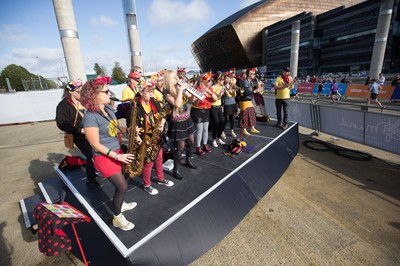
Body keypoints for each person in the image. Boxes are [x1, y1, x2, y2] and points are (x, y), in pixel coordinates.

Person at [81, 76, 137, 231]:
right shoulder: (89, 118)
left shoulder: (109, 110)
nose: (110, 93)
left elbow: (116, 130)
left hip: (118, 150)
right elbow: (95, 144)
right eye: (106, 91)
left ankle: (121, 204)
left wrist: (130, 131)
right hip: (105, 157)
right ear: (94, 95)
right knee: (123, 186)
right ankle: (117, 218)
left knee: (125, 179)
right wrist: (117, 156)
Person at [55, 80, 102, 189]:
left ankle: (97, 170)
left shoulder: (85, 101)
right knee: (90, 155)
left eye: (82, 90)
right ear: (70, 91)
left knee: (97, 152)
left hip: (93, 131)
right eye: (78, 91)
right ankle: (91, 181)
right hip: (79, 136)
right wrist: (79, 130)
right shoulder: (63, 106)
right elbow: (61, 123)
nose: (81, 93)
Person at [134, 79, 174, 195]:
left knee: (159, 158)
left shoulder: (154, 102)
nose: (151, 94)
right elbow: (132, 127)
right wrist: (141, 142)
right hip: (144, 138)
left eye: (152, 91)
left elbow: (162, 115)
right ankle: (147, 184)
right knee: (148, 163)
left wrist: (162, 123)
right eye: (148, 91)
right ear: (141, 92)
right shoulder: (136, 107)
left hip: (156, 136)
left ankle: (160, 179)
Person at [164, 70, 197, 180]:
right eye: (174, 77)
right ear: (169, 79)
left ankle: (188, 160)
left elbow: (192, 100)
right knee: (180, 147)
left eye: (176, 77)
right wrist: (181, 89)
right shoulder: (167, 92)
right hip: (177, 122)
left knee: (192, 142)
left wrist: (190, 90)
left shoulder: (180, 88)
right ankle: (176, 169)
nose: (177, 79)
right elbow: (177, 104)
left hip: (187, 119)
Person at [191, 72, 218, 153]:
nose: (210, 81)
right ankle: (197, 147)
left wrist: (210, 93)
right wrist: (201, 94)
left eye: (210, 80)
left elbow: (215, 99)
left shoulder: (210, 88)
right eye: (209, 80)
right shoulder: (197, 88)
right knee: (199, 130)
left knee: (205, 129)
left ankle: (204, 145)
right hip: (197, 110)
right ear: (204, 80)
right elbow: (195, 102)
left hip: (206, 110)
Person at [238, 68, 260, 135]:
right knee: (245, 115)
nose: (253, 75)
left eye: (254, 74)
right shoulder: (245, 82)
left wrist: (258, 84)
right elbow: (244, 92)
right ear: (248, 74)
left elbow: (252, 91)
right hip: (244, 100)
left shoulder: (251, 82)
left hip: (248, 100)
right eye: (252, 74)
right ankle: (244, 129)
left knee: (252, 113)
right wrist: (254, 91)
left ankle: (252, 128)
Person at [210, 73, 226, 147]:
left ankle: (219, 137)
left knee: (222, 122)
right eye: (222, 79)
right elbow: (212, 100)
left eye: (223, 79)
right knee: (216, 124)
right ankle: (214, 139)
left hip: (219, 107)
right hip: (213, 107)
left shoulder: (222, 87)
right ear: (218, 80)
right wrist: (219, 94)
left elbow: (222, 99)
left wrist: (222, 106)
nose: (223, 80)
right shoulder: (212, 87)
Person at [222, 73, 238, 138]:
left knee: (232, 118)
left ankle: (232, 130)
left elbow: (235, 94)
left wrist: (234, 89)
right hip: (226, 103)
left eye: (228, 78)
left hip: (233, 102)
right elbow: (224, 95)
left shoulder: (233, 85)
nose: (227, 79)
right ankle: (222, 131)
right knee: (226, 119)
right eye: (226, 78)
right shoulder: (223, 86)